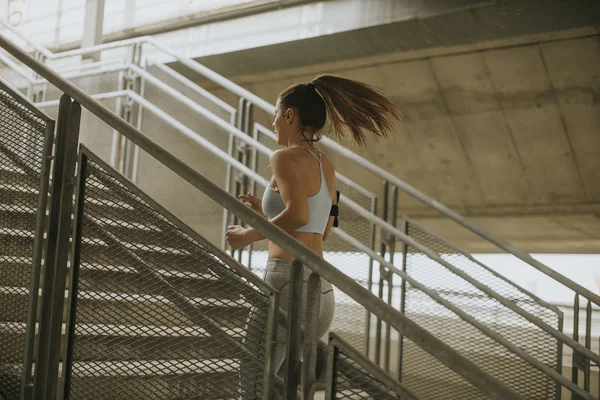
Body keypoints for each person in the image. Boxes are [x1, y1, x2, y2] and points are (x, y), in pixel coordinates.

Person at [226, 74, 401, 398]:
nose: (275, 123)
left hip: (286, 283)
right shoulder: (326, 165)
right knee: (281, 385)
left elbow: (298, 215)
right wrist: (264, 217)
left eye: (277, 115)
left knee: (253, 380)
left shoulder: (283, 157)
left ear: (290, 115)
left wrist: (248, 235)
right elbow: (322, 228)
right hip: (321, 292)